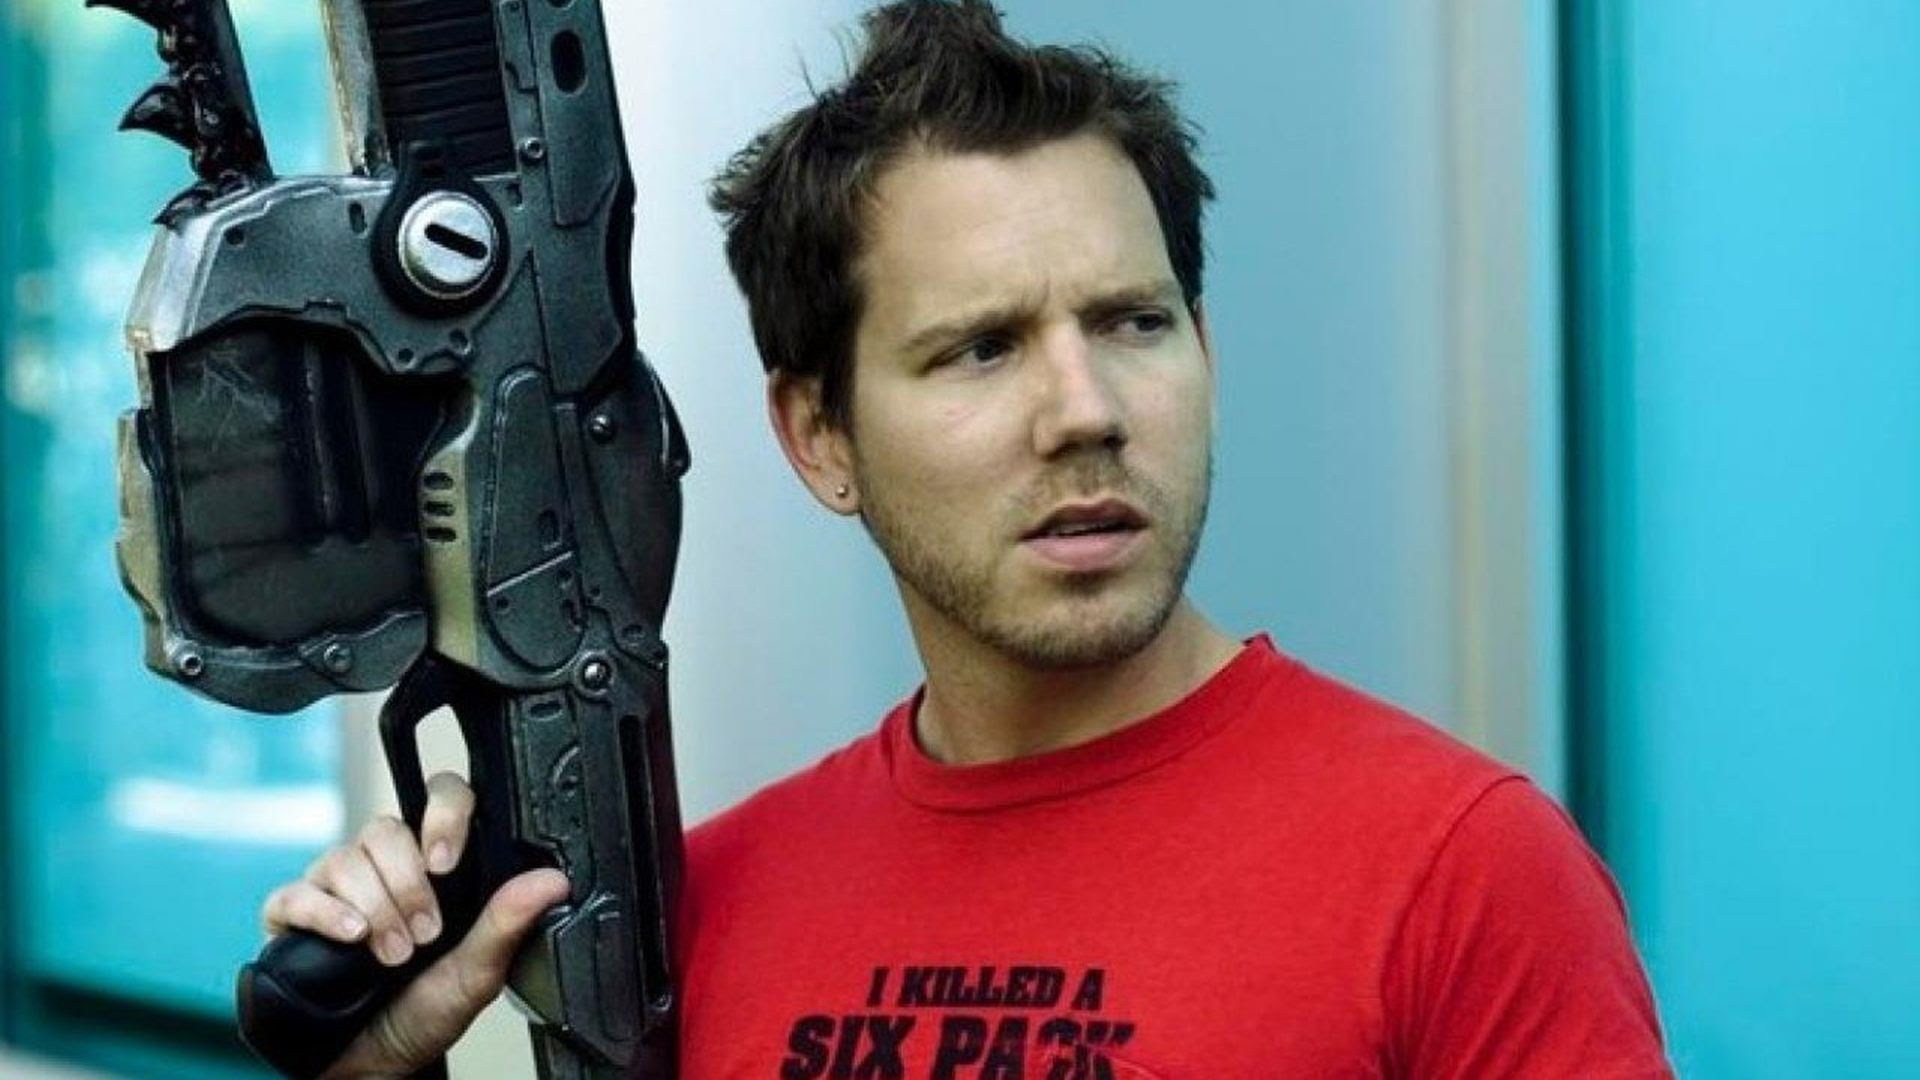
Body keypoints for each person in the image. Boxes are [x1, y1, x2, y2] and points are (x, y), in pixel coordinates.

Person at [260, 2, 1671, 1076]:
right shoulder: (704, 908)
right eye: (982, 348)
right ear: (819, 434)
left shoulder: (1462, 875)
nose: (1087, 411)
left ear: (1205, 348)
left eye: (1134, 323)